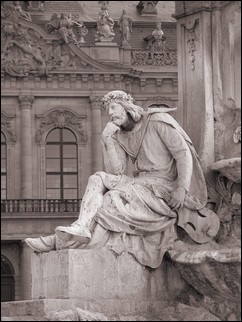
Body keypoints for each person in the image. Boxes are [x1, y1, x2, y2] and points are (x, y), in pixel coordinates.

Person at [25, 90, 220, 268]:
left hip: (163, 186)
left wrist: (182, 188)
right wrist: (107, 140)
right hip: (140, 183)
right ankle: (81, 227)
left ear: (127, 107)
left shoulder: (157, 120)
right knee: (97, 178)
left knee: (108, 202)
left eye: (113, 108)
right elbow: (115, 170)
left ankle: (58, 242)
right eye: (107, 110)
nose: (110, 113)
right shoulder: (120, 135)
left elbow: (183, 154)